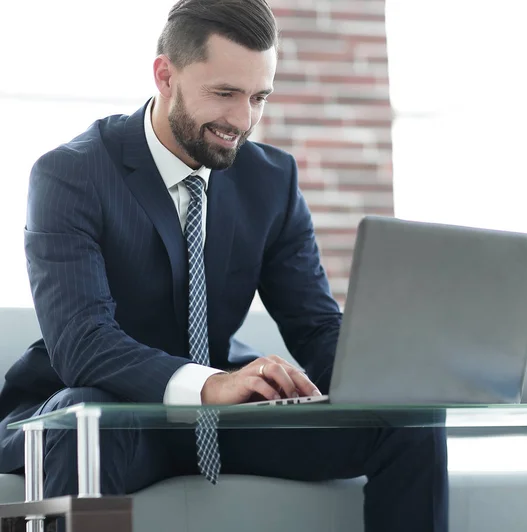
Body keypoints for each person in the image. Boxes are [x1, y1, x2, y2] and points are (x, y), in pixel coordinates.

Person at [0, 0, 448, 529]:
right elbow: (82, 343)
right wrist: (211, 384)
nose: (243, 120)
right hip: (104, 410)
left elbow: (314, 325)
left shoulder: (271, 181)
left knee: (411, 423)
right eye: (225, 94)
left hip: (223, 417)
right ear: (166, 75)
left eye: (259, 97)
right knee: (87, 421)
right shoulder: (70, 174)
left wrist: (388, 381)